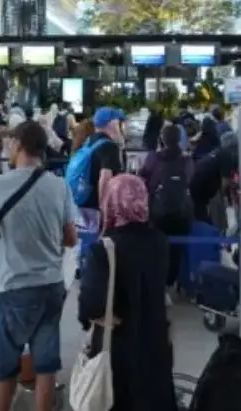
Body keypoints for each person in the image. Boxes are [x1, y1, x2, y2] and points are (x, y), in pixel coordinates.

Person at [0, 120, 77, 411]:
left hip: (13, 286)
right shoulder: (60, 185)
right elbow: (70, 239)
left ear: (18, 145)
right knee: (46, 364)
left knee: (5, 365)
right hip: (51, 285)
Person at [77, 173, 175, 411]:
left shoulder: (103, 249)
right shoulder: (160, 242)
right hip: (154, 340)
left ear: (109, 202)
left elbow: (91, 305)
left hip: (118, 345)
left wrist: (90, 318)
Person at [138, 124, 194, 293]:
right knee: (176, 251)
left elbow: (143, 179)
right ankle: (171, 282)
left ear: (162, 139)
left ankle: (158, 286)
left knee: (156, 250)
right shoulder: (187, 160)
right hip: (182, 213)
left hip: (158, 212)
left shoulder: (154, 158)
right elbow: (190, 181)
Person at [78, 107, 126, 232]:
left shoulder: (90, 141)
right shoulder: (109, 146)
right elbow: (105, 178)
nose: (121, 127)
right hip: (95, 208)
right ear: (111, 124)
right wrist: (104, 211)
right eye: (118, 123)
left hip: (81, 203)